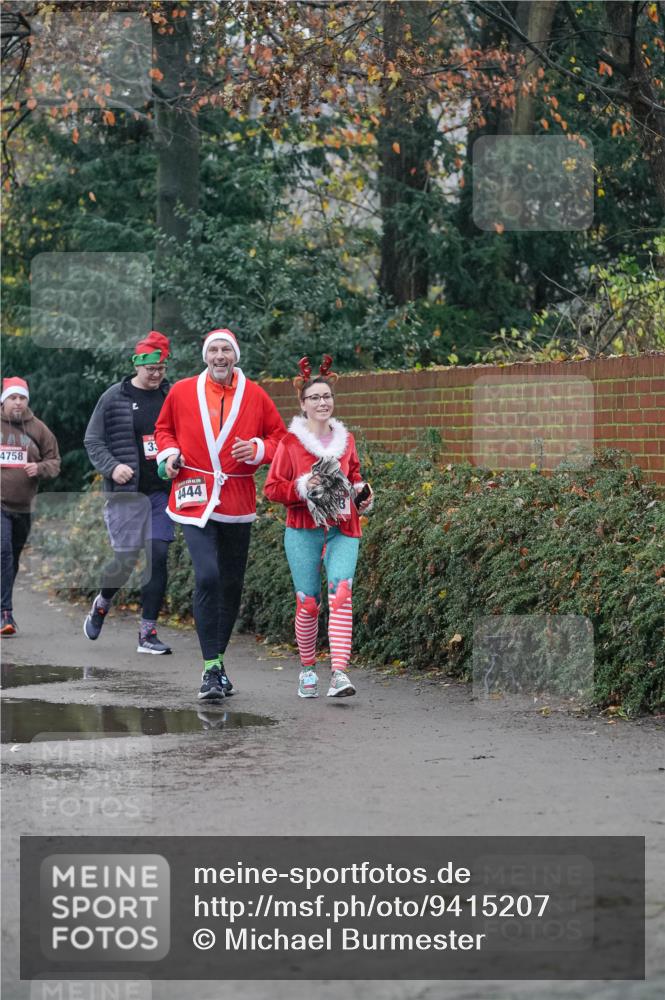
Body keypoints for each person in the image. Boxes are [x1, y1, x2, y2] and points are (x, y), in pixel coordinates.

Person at [155, 328, 286, 701]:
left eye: (225, 349)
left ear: (236, 356)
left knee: (231, 584)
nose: (219, 356)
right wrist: (170, 454)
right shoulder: (181, 391)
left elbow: (280, 439)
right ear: (205, 356)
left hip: (236, 498)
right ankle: (209, 667)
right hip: (194, 497)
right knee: (208, 576)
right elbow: (163, 430)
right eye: (213, 349)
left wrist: (259, 448)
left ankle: (218, 665)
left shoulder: (256, 395)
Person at [264, 356, 373, 700]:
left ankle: (339, 673)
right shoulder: (290, 444)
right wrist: (301, 486)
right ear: (303, 404)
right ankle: (308, 668)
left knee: (341, 593)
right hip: (303, 528)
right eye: (315, 397)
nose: (323, 402)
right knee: (308, 601)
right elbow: (272, 488)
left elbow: (354, 479)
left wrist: (363, 495)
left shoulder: (347, 440)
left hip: (343, 527)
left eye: (327, 397)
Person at [83, 331, 174, 654]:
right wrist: (112, 467)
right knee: (126, 559)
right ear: (137, 365)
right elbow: (93, 440)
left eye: (161, 368)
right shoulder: (114, 397)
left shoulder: (171, 396)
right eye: (151, 368)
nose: (156, 374)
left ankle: (147, 634)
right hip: (125, 493)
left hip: (160, 492)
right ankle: (102, 602)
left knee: (158, 556)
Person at [1, 376, 61, 635]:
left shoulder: (38, 429)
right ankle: (6, 614)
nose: (17, 403)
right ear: (4, 401)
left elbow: (55, 461)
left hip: (24, 506)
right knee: (3, 554)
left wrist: (39, 467)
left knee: (11, 560)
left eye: (22, 398)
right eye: (12, 398)